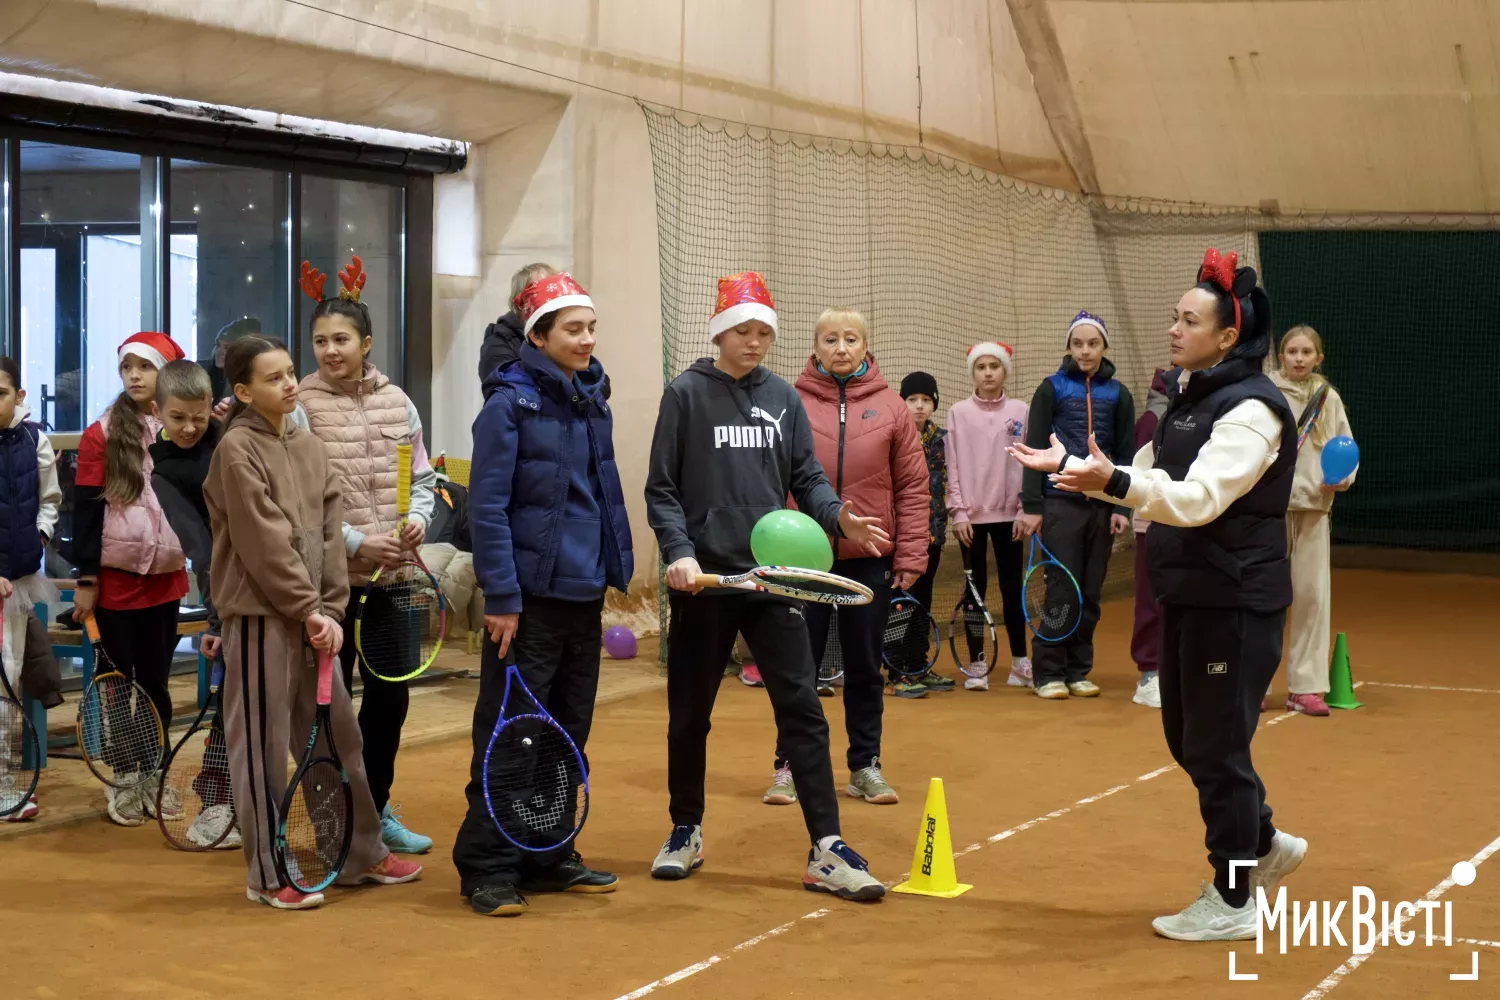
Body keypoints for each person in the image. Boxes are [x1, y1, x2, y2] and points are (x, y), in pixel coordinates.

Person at [1009, 248, 1308, 941]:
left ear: (1228, 336)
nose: (1173, 329)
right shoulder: (1189, 394)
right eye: (1174, 317)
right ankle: (1264, 844)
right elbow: (1147, 468)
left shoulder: (1252, 411)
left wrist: (1109, 485)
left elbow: (1200, 499)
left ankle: (1235, 898)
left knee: (1216, 745)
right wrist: (1076, 464)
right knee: (1188, 737)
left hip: (1233, 600)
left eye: (1188, 320)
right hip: (1192, 591)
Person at [645, 271, 890, 901]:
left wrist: (837, 514)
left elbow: (806, 478)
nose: (753, 342)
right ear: (719, 331)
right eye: (741, 331)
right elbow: (662, 490)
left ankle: (827, 848)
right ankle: (685, 828)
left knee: (803, 709)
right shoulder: (685, 395)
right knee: (689, 717)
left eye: (763, 332)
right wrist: (678, 553)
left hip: (771, 582)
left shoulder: (783, 397)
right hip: (703, 582)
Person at [204, 335, 421, 910]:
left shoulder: (307, 445)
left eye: (290, 373)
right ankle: (267, 872)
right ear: (245, 391)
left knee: (338, 739)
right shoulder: (236, 451)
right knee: (262, 748)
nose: (289, 383)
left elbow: (330, 532)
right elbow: (262, 541)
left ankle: (356, 854)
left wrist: (329, 607)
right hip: (259, 621)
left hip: (314, 620)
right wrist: (305, 609)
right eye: (273, 378)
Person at [453, 272, 634, 917]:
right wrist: (501, 595)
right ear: (538, 334)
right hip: (524, 604)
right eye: (572, 329)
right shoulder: (506, 405)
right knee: (512, 734)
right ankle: (488, 867)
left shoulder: (592, 398)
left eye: (591, 327)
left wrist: (608, 572)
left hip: (581, 597)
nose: (586, 340)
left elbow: (599, 495)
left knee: (565, 732)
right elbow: (489, 508)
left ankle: (547, 853)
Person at [294, 256, 438, 855]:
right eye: (321, 340)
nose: (331, 350)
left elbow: (424, 478)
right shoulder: (298, 406)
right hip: (332, 588)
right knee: (332, 706)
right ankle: (334, 823)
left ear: (366, 343)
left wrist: (417, 521)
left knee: (390, 703)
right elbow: (300, 501)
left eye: (342, 339)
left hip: (394, 582)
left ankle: (375, 814)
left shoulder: (397, 402)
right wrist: (355, 542)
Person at [760, 308, 928, 809]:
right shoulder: (787, 401)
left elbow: (914, 487)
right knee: (798, 668)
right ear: (815, 347)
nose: (840, 347)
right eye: (830, 339)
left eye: (850, 339)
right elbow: (771, 479)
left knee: (862, 666)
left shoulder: (893, 408)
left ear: (865, 346)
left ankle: (865, 766)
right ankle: (789, 765)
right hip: (801, 559)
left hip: (868, 555)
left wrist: (911, 552)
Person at [71, 332, 191, 826]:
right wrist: (87, 578)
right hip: (116, 583)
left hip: (166, 580)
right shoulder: (100, 433)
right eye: (128, 368)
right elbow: (85, 511)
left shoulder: (183, 429)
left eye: (146, 366)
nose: (136, 376)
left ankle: (155, 774)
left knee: (157, 684)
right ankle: (124, 778)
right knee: (118, 686)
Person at [1018, 312, 1135, 699]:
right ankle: (1048, 672)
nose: (1085, 351)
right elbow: (1035, 448)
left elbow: (1126, 454)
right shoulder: (1050, 389)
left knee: (1090, 591)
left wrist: (1122, 508)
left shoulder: (1120, 394)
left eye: (1093, 344)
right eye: (1078, 344)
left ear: (1104, 347)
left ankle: (1077, 670)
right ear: (1068, 348)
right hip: (1059, 505)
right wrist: (1032, 505)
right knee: (1061, 591)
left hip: (1102, 506)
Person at [148, 359, 239, 849]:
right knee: (231, 706)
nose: (187, 427)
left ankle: (248, 803)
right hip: (232, 598)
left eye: (197, 417)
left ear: (211, 408)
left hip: (274, 585)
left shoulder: (229, 437)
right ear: (158, 412)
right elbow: (203, 553)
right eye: (177, 417)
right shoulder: (165, 472)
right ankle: (215, 803)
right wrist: (218, 619)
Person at [1268, 325, 1356, 716]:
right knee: (1262, 600)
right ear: (1281, 356)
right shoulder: (1264, 393)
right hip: (1267, 510)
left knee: (1311, 598)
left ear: (1319, 358)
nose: (1299, 358)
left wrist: (1341, 478)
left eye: (1307, 352)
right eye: (1292, 351)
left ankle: (1305, 687)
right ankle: (1253, 684)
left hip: (1314, 509)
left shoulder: (1328, 399)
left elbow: (1345, 446)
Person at [944, 343, 1033, 691]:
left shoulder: (1021, 410)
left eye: (995, 365)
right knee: (974, 592)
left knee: (1013, 591)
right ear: (973, 373)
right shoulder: (957, 412)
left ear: (1005, 370)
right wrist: (959, 512)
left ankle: (1020, 663)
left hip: (1011, 517)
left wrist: (1025, 508)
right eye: (981, 366)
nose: (988, 372)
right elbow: (952, 465)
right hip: (971, 520)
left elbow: (1029, 461)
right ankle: (977, 662)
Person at [0, 357, 61, 822]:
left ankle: (3, 783)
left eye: (1, 392)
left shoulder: (35, 440)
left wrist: (37, 538)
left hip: (17, 584)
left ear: (19, 396)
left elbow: (50, 501)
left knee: (9, 678)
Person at [899, 370, 956, 694]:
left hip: (933, 535)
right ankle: (897, 670)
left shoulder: (942, 439)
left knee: (923, 601)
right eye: (912, 400)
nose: (919, 406)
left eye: (925, 400)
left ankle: (919, 665)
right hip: (904, 537)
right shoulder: (895, 434)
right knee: (900, 603)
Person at [1130, 368, 1170, 710]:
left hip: (1193, 521)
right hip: (1151, 522)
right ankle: (1149, 673)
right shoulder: (1150, 421)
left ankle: (1175, 670)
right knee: (1150, 598)